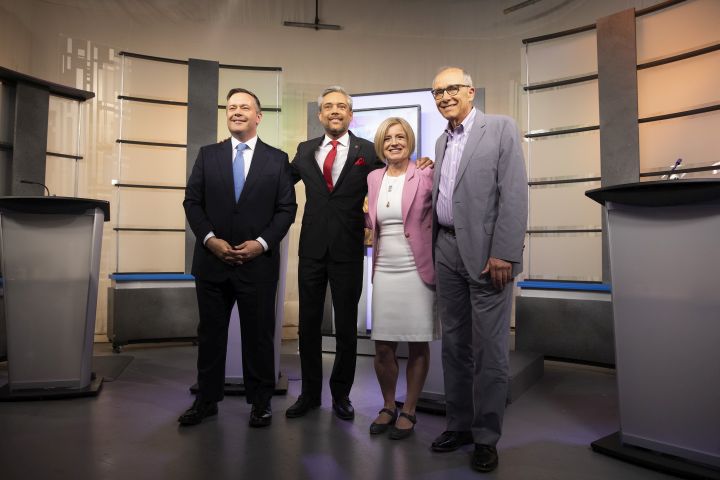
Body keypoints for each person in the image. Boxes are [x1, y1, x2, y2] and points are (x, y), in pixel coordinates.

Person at [429, 67, 528, 472]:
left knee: (489, 350)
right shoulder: (440, 140)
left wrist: (505, 251)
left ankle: (486, 437)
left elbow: (514, 192)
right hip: (446, 249)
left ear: (470, 91)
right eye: (437, 91)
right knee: (453, 346)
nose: (445, 96)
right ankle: (460, 425)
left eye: (452, 88)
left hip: (489, 255)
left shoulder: (501, 128)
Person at [181, 87, 297, 428]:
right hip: (212, 263)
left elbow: (286, 209)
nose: (236, 112)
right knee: (210, 335)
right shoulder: (207, 155)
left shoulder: (277, 160)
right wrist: (209, 239)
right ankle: (206, 400)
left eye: (244, 107)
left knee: (259, 337)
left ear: (258, 116)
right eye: (231, 107)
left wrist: (261, 243)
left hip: (257, 265)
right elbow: (192, 202)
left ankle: (260, 403)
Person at [285, 86, 385, 421]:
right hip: (311, 249)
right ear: (320, 115)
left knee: (345, 327)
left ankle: (341, 395)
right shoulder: (305, 150)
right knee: (308, 325)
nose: (335, 111)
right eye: (328, 107)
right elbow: (279, 179)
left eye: (341, 106)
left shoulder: (368, 151)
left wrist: (423, 163)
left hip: (347, 249)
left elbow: (396, 174)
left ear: (350, 114)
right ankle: (310, 395)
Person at [365, 117, 439, 440]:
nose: (394, 143)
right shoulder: (372, 177)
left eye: (400, 137)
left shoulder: (425, 172)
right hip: (384, 268)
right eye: (388, 139)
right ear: (381, 145)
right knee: (383, 346)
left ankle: (409, 408)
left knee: (417, 343)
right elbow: (370, 221)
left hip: (417, 268)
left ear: (409, 141)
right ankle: (387, 405)